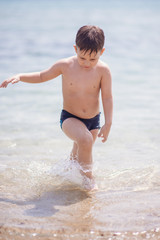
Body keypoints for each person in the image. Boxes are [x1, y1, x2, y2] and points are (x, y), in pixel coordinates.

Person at [0, 25, 113, 190]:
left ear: (101, 52)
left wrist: (108, 123)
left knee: (79, 153)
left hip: (93, 121)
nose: (87, 63)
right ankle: (89, 180)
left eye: (93, 59)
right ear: (76, 49)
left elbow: (107, 97)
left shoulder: (104, 70)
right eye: (82, 58)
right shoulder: (65, 65)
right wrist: (20, 77)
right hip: (70, 118)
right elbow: (41, 76)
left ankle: (65, 175)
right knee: (85, 140)